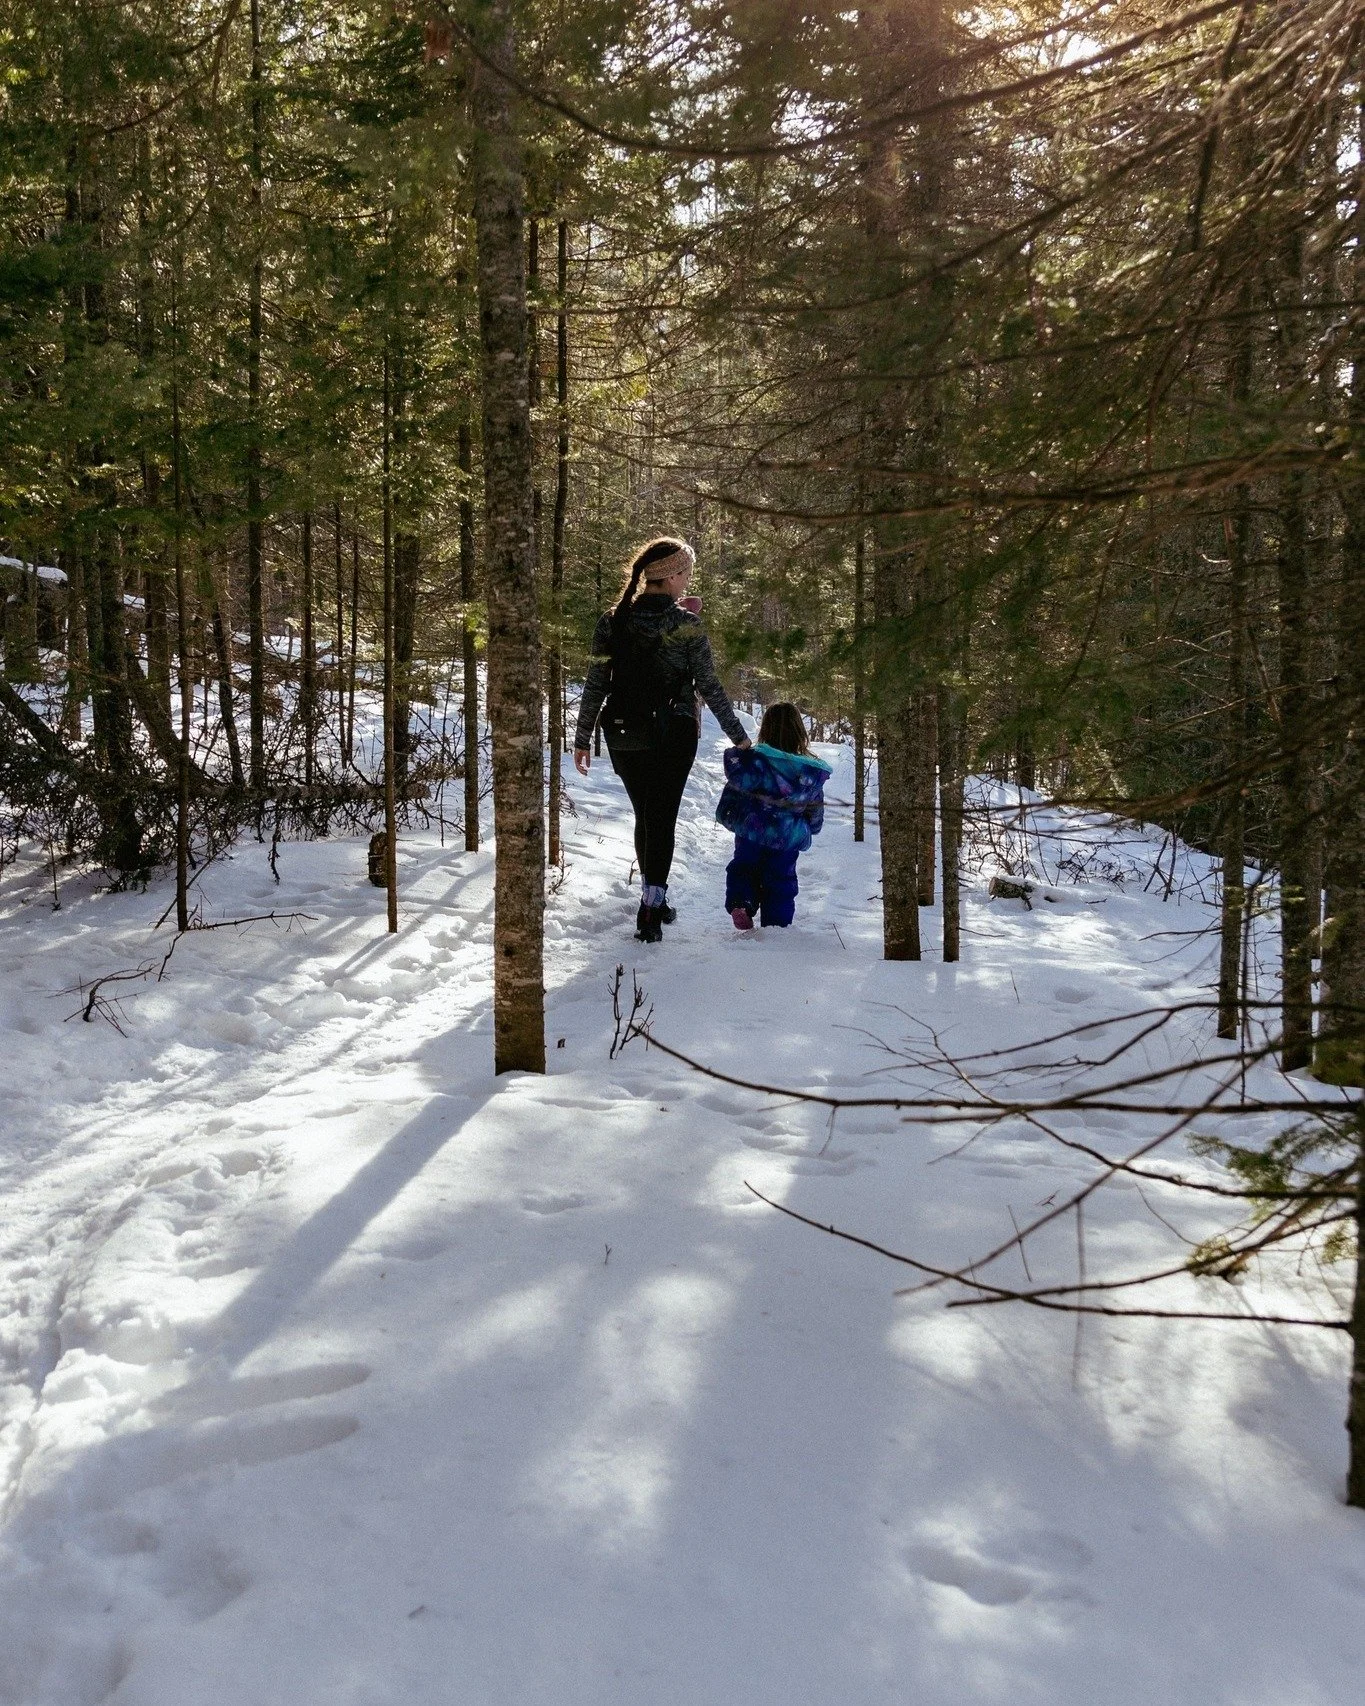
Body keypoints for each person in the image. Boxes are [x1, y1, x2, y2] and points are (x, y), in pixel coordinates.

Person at [574, 536, 750, 942]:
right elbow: (709, 685)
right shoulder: (684, 624)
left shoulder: (611, 621)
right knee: (662, 818)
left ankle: (655, 898)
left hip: (622, 734)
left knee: (646, 815)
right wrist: (739, 738)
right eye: (686, 573)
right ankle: (651, 907)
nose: (688, 581)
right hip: (673, 733)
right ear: (672, 575)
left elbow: (596, 682)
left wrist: (583, 737)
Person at [715, 702, 831, 930]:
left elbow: (734, 790)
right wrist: (812, 828)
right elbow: (814, 809)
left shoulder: (754, 762)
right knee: (781, 880)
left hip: (750, 830)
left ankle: (741, 903)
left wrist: (729, 816)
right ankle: (776, 925)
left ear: (765, 728)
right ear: (799, 732)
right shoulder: (807, 772)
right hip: (785, 838)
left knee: (744, 867)